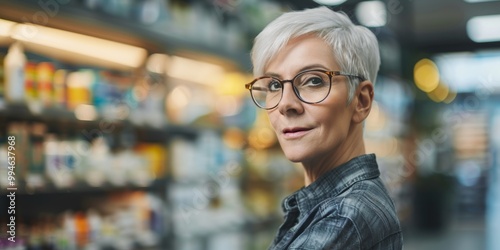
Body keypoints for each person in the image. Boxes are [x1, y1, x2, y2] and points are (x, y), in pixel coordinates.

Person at [245, 6, 403, 249]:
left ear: (361, 101)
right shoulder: (328, 204)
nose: (286, 104)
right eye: (274, 85)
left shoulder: (345, 217)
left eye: (313, 81)